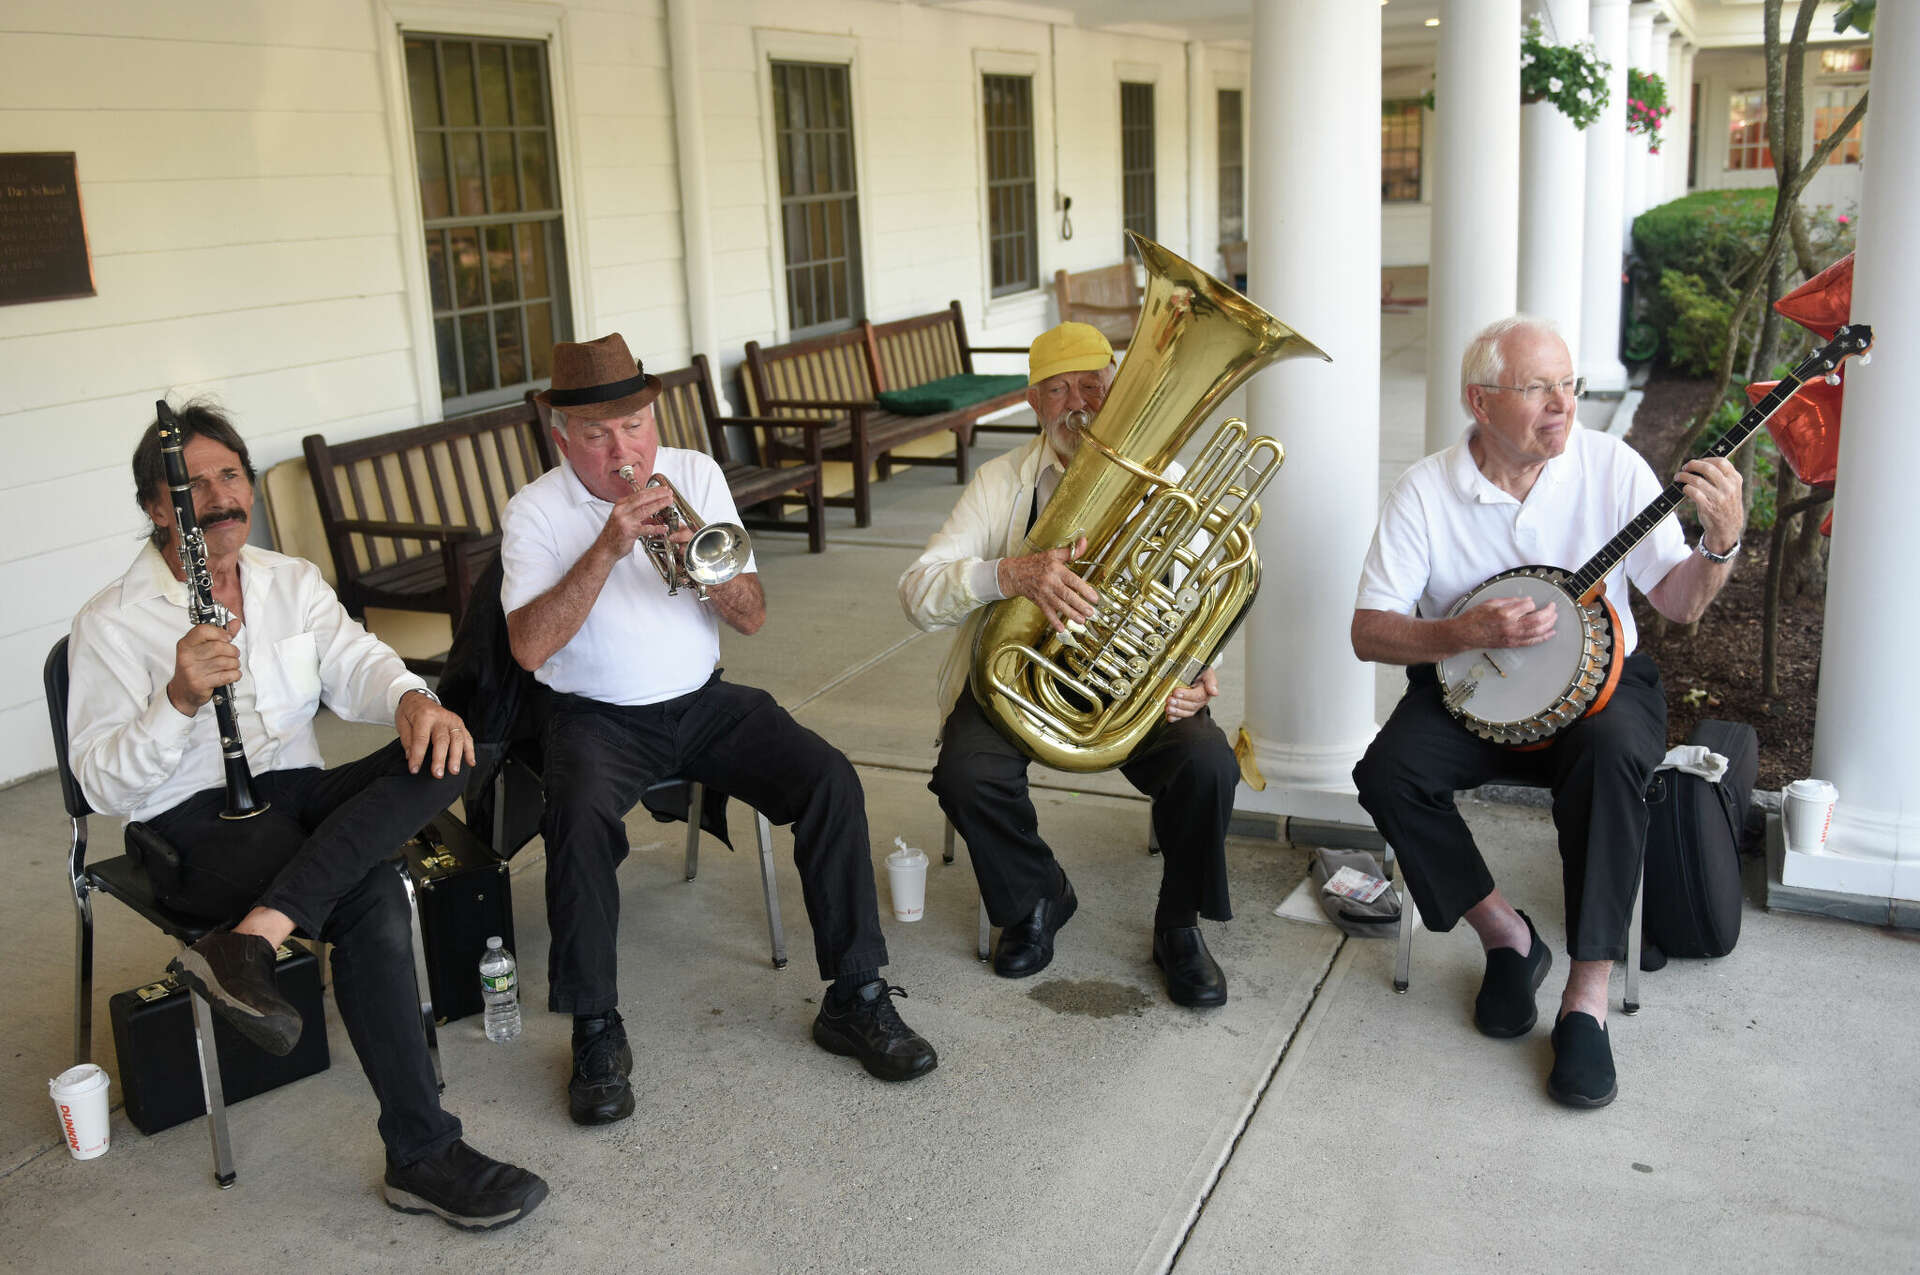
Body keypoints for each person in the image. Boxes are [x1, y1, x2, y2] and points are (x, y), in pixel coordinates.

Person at [67, 402, 548, 1229]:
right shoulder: (108, 623)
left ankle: (250, 940)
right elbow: (100, 783)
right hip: (185, 823)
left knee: (454, 745)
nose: (220, 497)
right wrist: (177, 699)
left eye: (231, 476)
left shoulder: (288, 579)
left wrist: (408, 698)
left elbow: (354, 661)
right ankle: (421, 1153)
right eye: (194, 484)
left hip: (292, 788)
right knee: (365, 891)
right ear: (156, 506)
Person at [501, 333, 937, 1125]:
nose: (623, 450)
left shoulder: (695, 474)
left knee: (828, 778)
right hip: (594, 718)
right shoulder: (535, 510)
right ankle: (597, 1027)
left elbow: (753, 616)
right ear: (561, 435)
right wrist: (609, 546)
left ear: (654, 415)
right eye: (598, 435)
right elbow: (529, 645)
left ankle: (856, 992)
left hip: (702, 701)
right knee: (577, 817)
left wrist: (702, 568)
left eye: (634, 426)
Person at [1350, 315, 1745, 1108]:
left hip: (1602, 688)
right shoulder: (1425, 490)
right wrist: (1462, 631)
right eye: (1537, 388)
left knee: (1611, 758)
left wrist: (1721, 546)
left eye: (1568, 384)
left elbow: (1675, 600)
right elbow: (1369, 633)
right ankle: (1509, 939)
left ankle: (1585, 1002)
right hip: (1472, 686)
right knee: (1387, 772)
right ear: (1480, 401)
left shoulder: (1611, 469)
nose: (1562, 404)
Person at [898, 322, 1241, 1007]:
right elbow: (917, 589)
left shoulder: (1167, 479)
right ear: (1034, 402)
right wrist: (1007, 573)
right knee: (965, 772)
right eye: (1059, 389)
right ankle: (1036, 896)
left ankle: (1179, 924)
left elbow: (1209, 587)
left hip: (1133, 684)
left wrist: (1199, 668)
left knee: (1209, 765)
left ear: (1118, 390)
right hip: (1019, 681)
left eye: (1093, 384)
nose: (1078, 402)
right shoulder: (1000, 482)